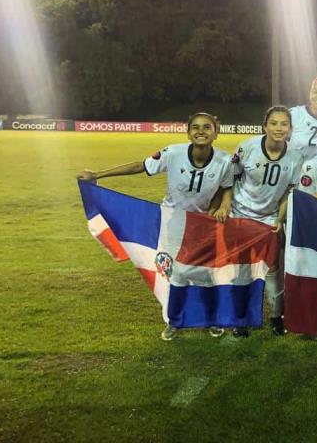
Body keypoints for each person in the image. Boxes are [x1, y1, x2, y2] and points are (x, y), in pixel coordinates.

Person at [76, 112, 235, 341]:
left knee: (207, 275)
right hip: (171, 223)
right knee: (175, 275)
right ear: (188, 132)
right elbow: (140, 166)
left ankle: (213, 318)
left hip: (202, 226)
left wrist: (224, 204)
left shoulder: (225, 161)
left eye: (207, 127)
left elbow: (227, 187)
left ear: (216, 133)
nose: (201, 131)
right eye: (196, 127)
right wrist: (98, 174)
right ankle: (174, 320)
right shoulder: (172, 153)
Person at [228, 106, 304, 337]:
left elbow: (287, 193)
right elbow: (229, 179)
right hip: (240, 214)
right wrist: (225, 207)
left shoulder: (295, 157)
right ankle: (240, 318)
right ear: (265, 126)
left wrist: (279, 220)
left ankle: (275, 318)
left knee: (272, 270)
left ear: (290, 129)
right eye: (274, 123)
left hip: (269, 218)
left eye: (284, 124)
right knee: (242, 269)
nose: (279, 128)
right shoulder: (247, 147)